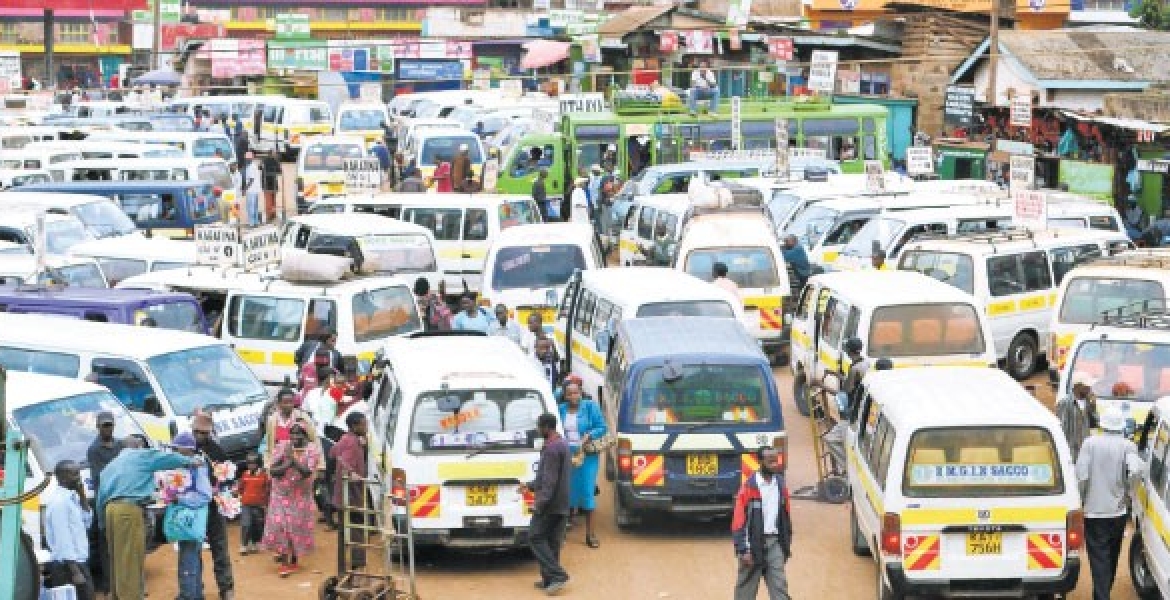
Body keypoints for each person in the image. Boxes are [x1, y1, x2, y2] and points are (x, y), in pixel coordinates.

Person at [98, 437, 201, 600]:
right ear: (138, 446)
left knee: (118, 560)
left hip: (110, 512)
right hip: (128, 511)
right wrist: (190, 461)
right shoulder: (140, 455)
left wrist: (103, 523)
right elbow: (167, 458)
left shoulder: (110, 466)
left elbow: (100, 498)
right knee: (131, 560)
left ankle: (118, 595)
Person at [1076, 407, 1146, 600]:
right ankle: (1102, 593)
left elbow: (1082, 476)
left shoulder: (1089, 444)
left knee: (1099, 560)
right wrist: (1128, 492)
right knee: (1112, 557)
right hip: (1118, 513)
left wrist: (1081, 499)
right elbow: (1136, 471)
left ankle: (1102, 596)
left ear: (1102, 424)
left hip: (1094, 513)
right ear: (1120, 427)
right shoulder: (1128, 446)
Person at [731, 446, 793, 600]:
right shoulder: (748, 488)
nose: (775, 464)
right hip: (752, 547)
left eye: (776, 461)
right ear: (760, 462)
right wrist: (743, 550)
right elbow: (738, 522)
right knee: (745, 592)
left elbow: (786, 517)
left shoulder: (780, 485)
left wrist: (785, 545)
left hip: (774, 544)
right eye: (770, 461)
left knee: (780, 589)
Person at [262, 420, 321, 577]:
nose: (295, 437)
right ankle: (284, 560)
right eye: (292, 433)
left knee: (295, 530)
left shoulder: (312, 450)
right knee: (281, 526)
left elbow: (307, 472)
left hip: (300, 497)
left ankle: (292, 561)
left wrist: (292, 460)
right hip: (280, 494)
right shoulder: (282, 446)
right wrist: (288, 463)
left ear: (305, 435)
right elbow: (273, 471)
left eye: (298, 434)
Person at [522, 413, 572, 594]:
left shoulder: (551, 449)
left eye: (539, 426)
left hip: (550, 505)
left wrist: (539, 504)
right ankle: (549, 579)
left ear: (546, 427)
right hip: (561, 502)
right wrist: (529, 486)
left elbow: (549, 482)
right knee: (551, 542)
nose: (537, 429)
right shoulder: (561, 444)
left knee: (535, 536)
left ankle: (557, 575)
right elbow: (546, 476)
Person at [191, 412, 235, 600]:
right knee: (193, 550)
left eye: (205, 433)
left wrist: (222, 491)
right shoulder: (185, 448)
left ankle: (226, 588)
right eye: (199, 432)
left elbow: (228, 477)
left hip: (213, 507)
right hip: (193, 509)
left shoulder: (216, 451)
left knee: (220, 548)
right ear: (193, 431)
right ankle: (195, 589)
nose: (202, 436)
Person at [558, 380, 606, 549]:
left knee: (587, 491)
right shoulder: (560, 409)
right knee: (565, 492)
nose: (573, 396)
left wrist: (589, 435)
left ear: (581, 392)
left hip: (586, 455)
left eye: (576, 392)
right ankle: (562, 532)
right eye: (569, 393)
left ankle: (590, 534)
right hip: (566, 454)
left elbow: (602, 427)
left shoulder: (590, 407)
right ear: (564, 395)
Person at [44, 460, 95, 600]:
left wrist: (82, 495)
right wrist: (75, 572)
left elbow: (87, 522)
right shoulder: (60, 503)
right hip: (68, 566)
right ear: (63, 477)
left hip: (78, 562)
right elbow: (63, 539)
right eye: (75, 474)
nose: (79, 478)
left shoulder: (72, 498)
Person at [86, 411, 123, 595]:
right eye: (104, 425)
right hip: (105, 500)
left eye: (109, 425)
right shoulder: (94, 449)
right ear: (98, 427)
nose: (107, 428)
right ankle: (110, 586)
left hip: (122, 497)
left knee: (123, 544)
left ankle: (125, 585)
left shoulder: (120, 444)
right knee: (106, 546)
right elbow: (100, 477)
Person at [331, 412, 369, 569]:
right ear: (354, 426)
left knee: (344, 531)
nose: (366, 427)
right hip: (351, 495)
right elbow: (344, 462)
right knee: (356, 530)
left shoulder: (347, 439)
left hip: (343, 495)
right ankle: (357, 566)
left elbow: (333, 452)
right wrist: (352, 473)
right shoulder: (352, 442)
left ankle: (343, 567)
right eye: (363, 424)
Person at [263, 387, 317, 467]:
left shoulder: (303, 417)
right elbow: (269, 444)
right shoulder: (272, 420)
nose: (289, 405)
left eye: (291, 402)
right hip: (278, 461)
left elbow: (314, 440)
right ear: (279, 403)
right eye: (285, 402)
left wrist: (320, 466)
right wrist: (267, 464)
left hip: (299, 460)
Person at [1057, 372, 1100, 463]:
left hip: (1085, 451)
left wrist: (1093, 407)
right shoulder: (1065, 403)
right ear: (1078, 386)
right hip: (1071, 452)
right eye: (1087, 386)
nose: (1090, 388)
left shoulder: (1088, 401)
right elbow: (1061, 429)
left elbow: (1095, 424)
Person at [237, 451, 270, 555]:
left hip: (259, 505)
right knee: (246, 524)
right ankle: (244, 545)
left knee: (258, 524)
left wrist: (266, 504)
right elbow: (241, 488)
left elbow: (267, 489)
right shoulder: (245, 475)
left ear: (258, 463)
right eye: (249, 463)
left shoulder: (263, 476)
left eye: (253, 463)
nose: (251, 465)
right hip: (246, 505)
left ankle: (256, 542)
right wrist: (238, 493)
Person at [244, 151, 263, 226]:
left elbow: (251, 180)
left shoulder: (251, 167)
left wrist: (245, 188)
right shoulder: (252, 166)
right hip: (255, 190)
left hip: (251, 190)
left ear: (251, 159)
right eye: (246, 159)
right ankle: (255, 222)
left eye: (247, 159)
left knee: (251, 207)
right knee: (255, 207)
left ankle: (251, 223)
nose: (246, 160)